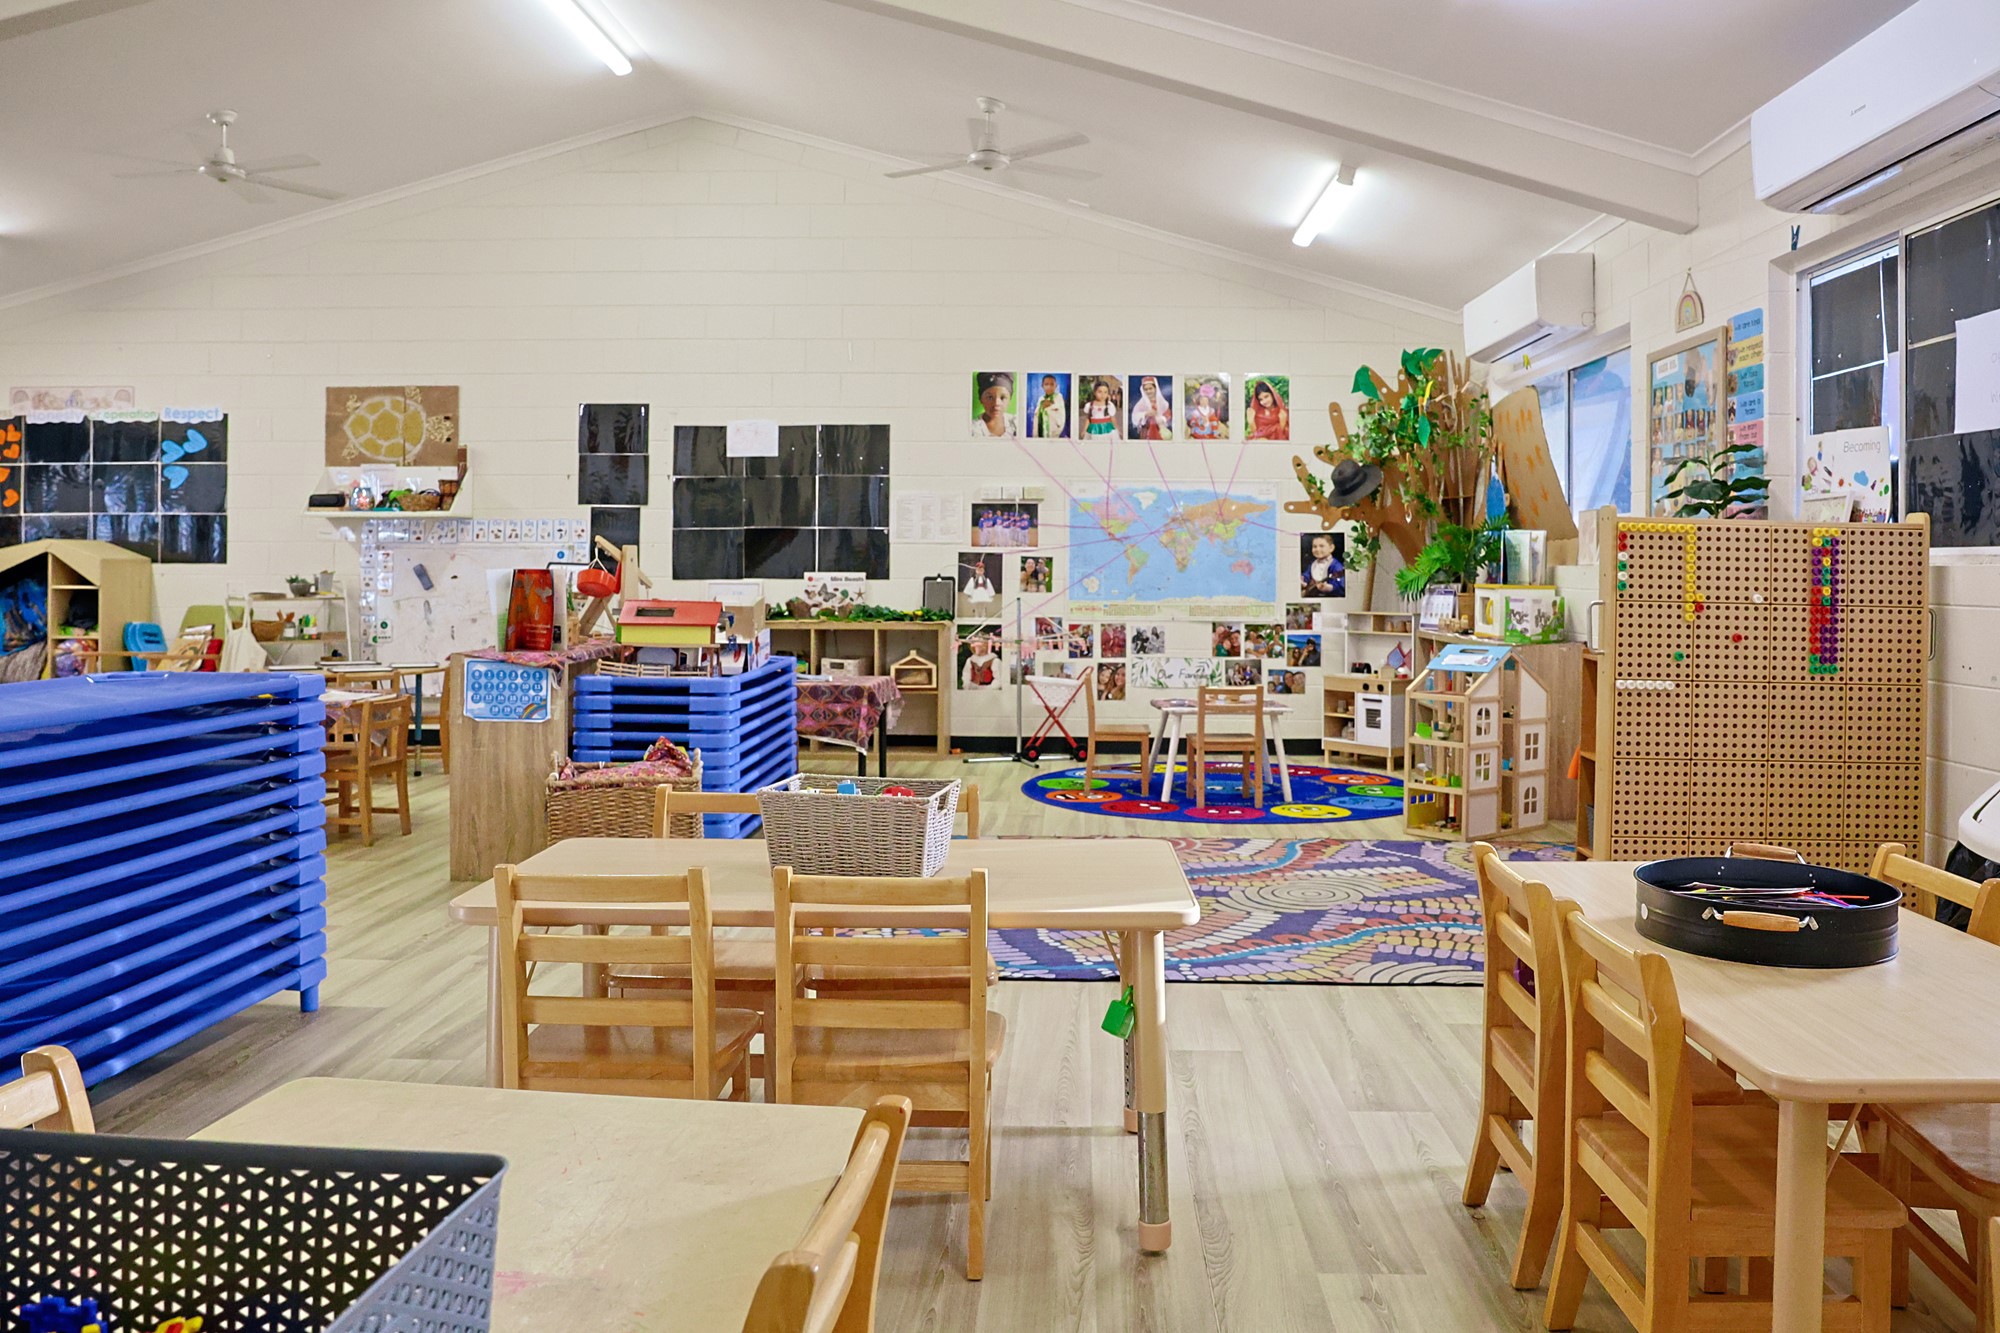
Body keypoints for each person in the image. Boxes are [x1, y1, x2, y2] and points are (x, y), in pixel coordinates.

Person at [971, 372, 1017, 438]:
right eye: (990, 397)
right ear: (981, 399)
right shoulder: (973, 429)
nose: (996, 403)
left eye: (1002, 398)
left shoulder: (1016, 423)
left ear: (1010, 399)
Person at [1129, 376, 1171, 440]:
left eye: (1150, 388)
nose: (1148, 391)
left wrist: (1161, 419)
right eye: (1146, 389)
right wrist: (1145, 414)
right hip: (1146, 432)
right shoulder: (1141, 403)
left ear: (1155, 388)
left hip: (1161, 431)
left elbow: (1168, 414)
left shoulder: (1162, 402)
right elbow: (1134, 416)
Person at [1302, 532, 1343, 597]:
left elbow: (1340, 583)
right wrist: (1303, 579)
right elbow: (1307, 574)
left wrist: (1329, 587)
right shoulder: (1313, 564)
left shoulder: (1335, 565)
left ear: (1331, 548)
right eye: (1314, 546)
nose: (1317, 549)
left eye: (1321, 546)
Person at [1032, 375, 1067, 439]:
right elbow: (1036, 416)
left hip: (1053, 434)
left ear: (1056, 386)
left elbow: (1061, 415)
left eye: (1052, 384)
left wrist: (1050, 405)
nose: (1049, 387)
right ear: (1042, 386)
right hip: (1041, 432)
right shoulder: (1041, 399)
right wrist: (1035, 434)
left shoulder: (1058, 397)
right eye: (1046, 384)